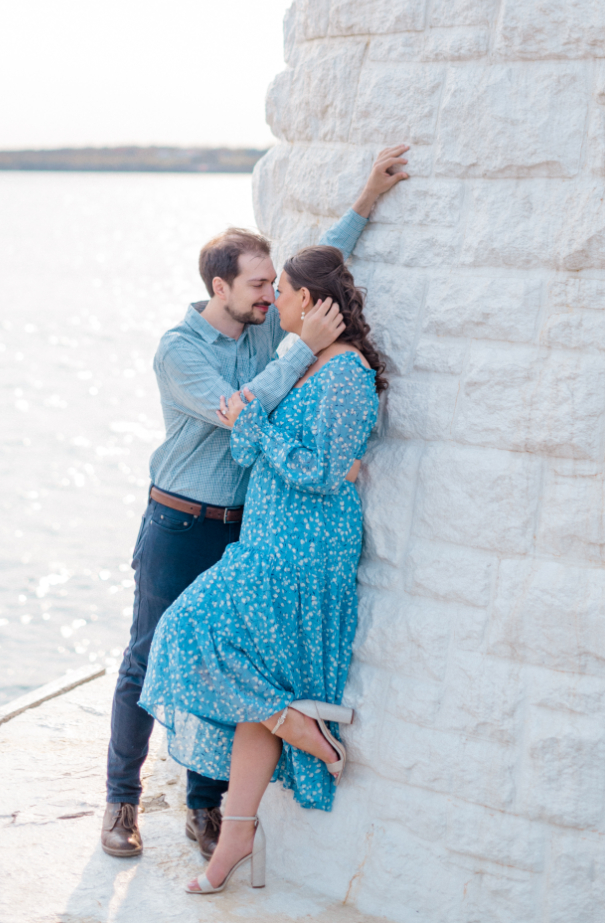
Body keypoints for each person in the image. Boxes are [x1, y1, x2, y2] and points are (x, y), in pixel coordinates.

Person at [101, 145, 409, 862]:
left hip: (243, 526)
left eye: (275, 286)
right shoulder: (181, 349)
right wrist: (302, 351)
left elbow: (317, 272)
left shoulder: (271, 323)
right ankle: (121, 799)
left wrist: (366, 198)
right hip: (178, 520)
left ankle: (206, 810)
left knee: (234, 654)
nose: (272, 296)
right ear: (220, 284)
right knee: (149, 652)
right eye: (258, 284)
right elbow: (244, 410)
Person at [140, 242, 386, 895]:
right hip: (269, 538)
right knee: (254, 687)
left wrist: (256, 425)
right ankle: (234, 840)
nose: (273, 300)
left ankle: (305, 731)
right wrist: (255, 427)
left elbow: (320, 472)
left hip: (301, 551)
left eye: (282, 290)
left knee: (186, 633)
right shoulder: (305, 365)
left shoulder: (346, 374)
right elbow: (247, 448)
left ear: (308, 300)